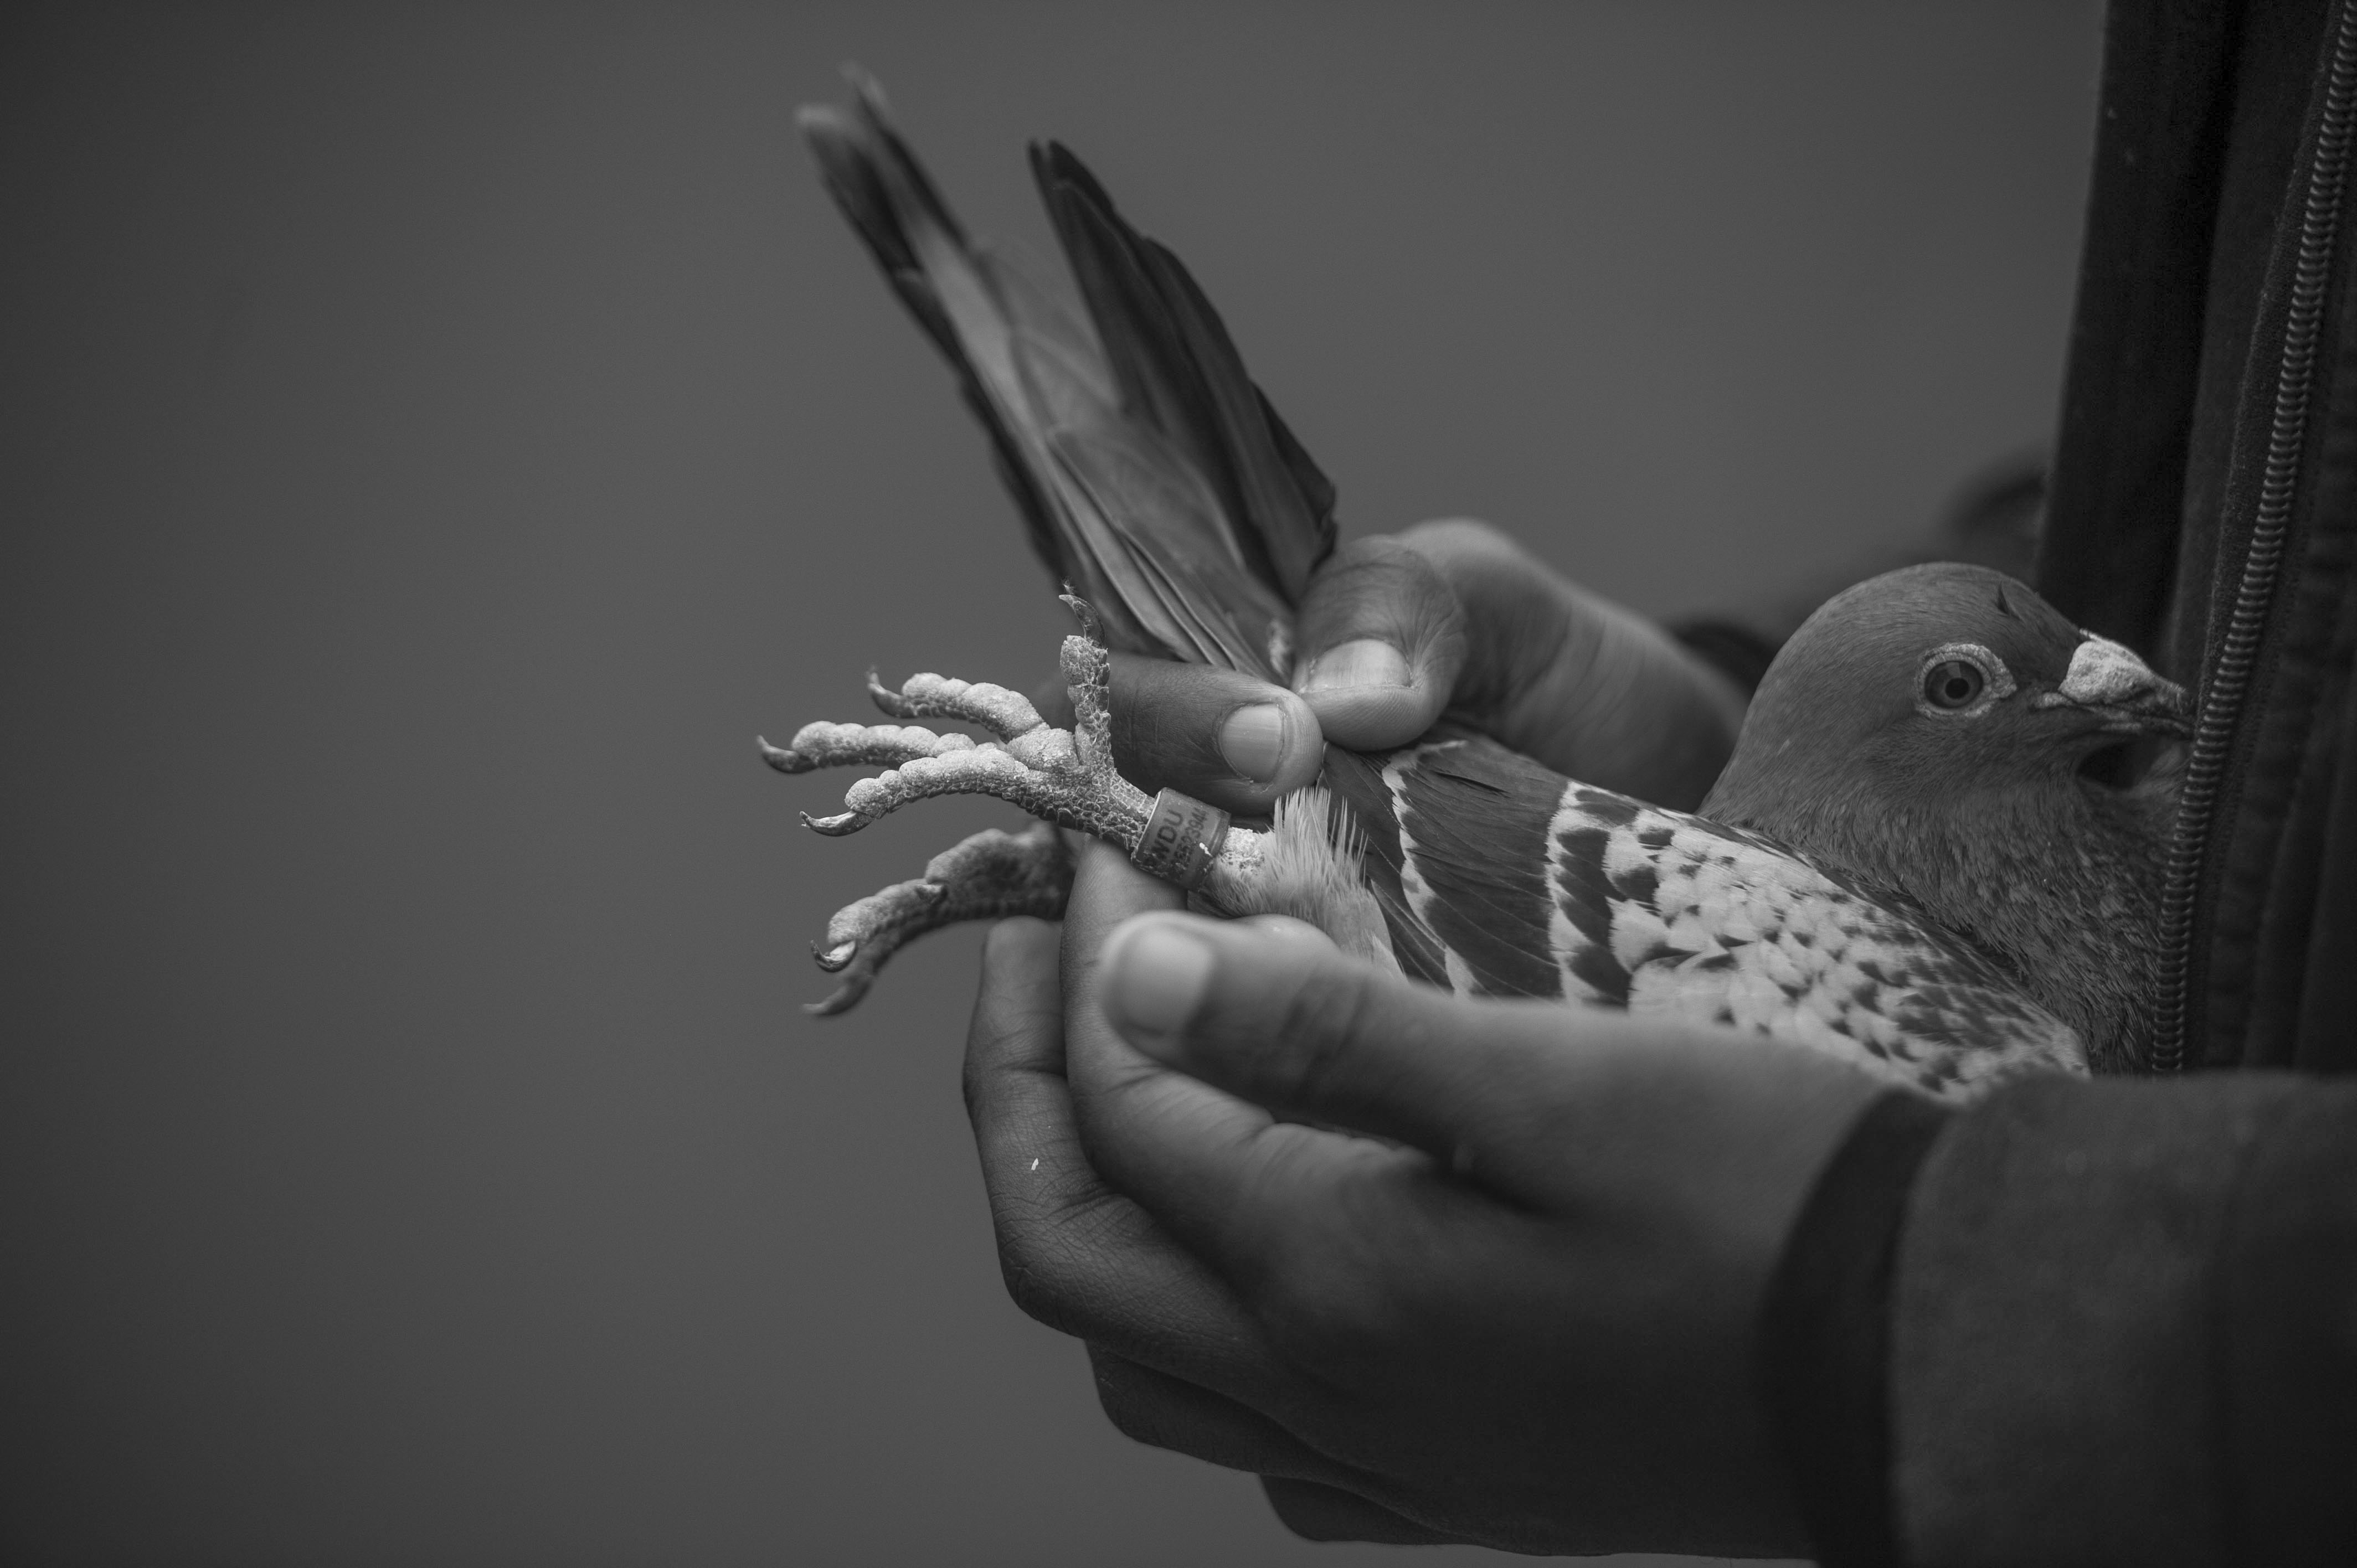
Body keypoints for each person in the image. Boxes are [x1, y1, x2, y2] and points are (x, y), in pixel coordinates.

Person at [960, 2, 2357, 1561]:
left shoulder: (2005, 1063)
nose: (2098, 672)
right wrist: (1722, 704)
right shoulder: (1992, 1011)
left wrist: (1897, 1327)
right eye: (1981, 684)